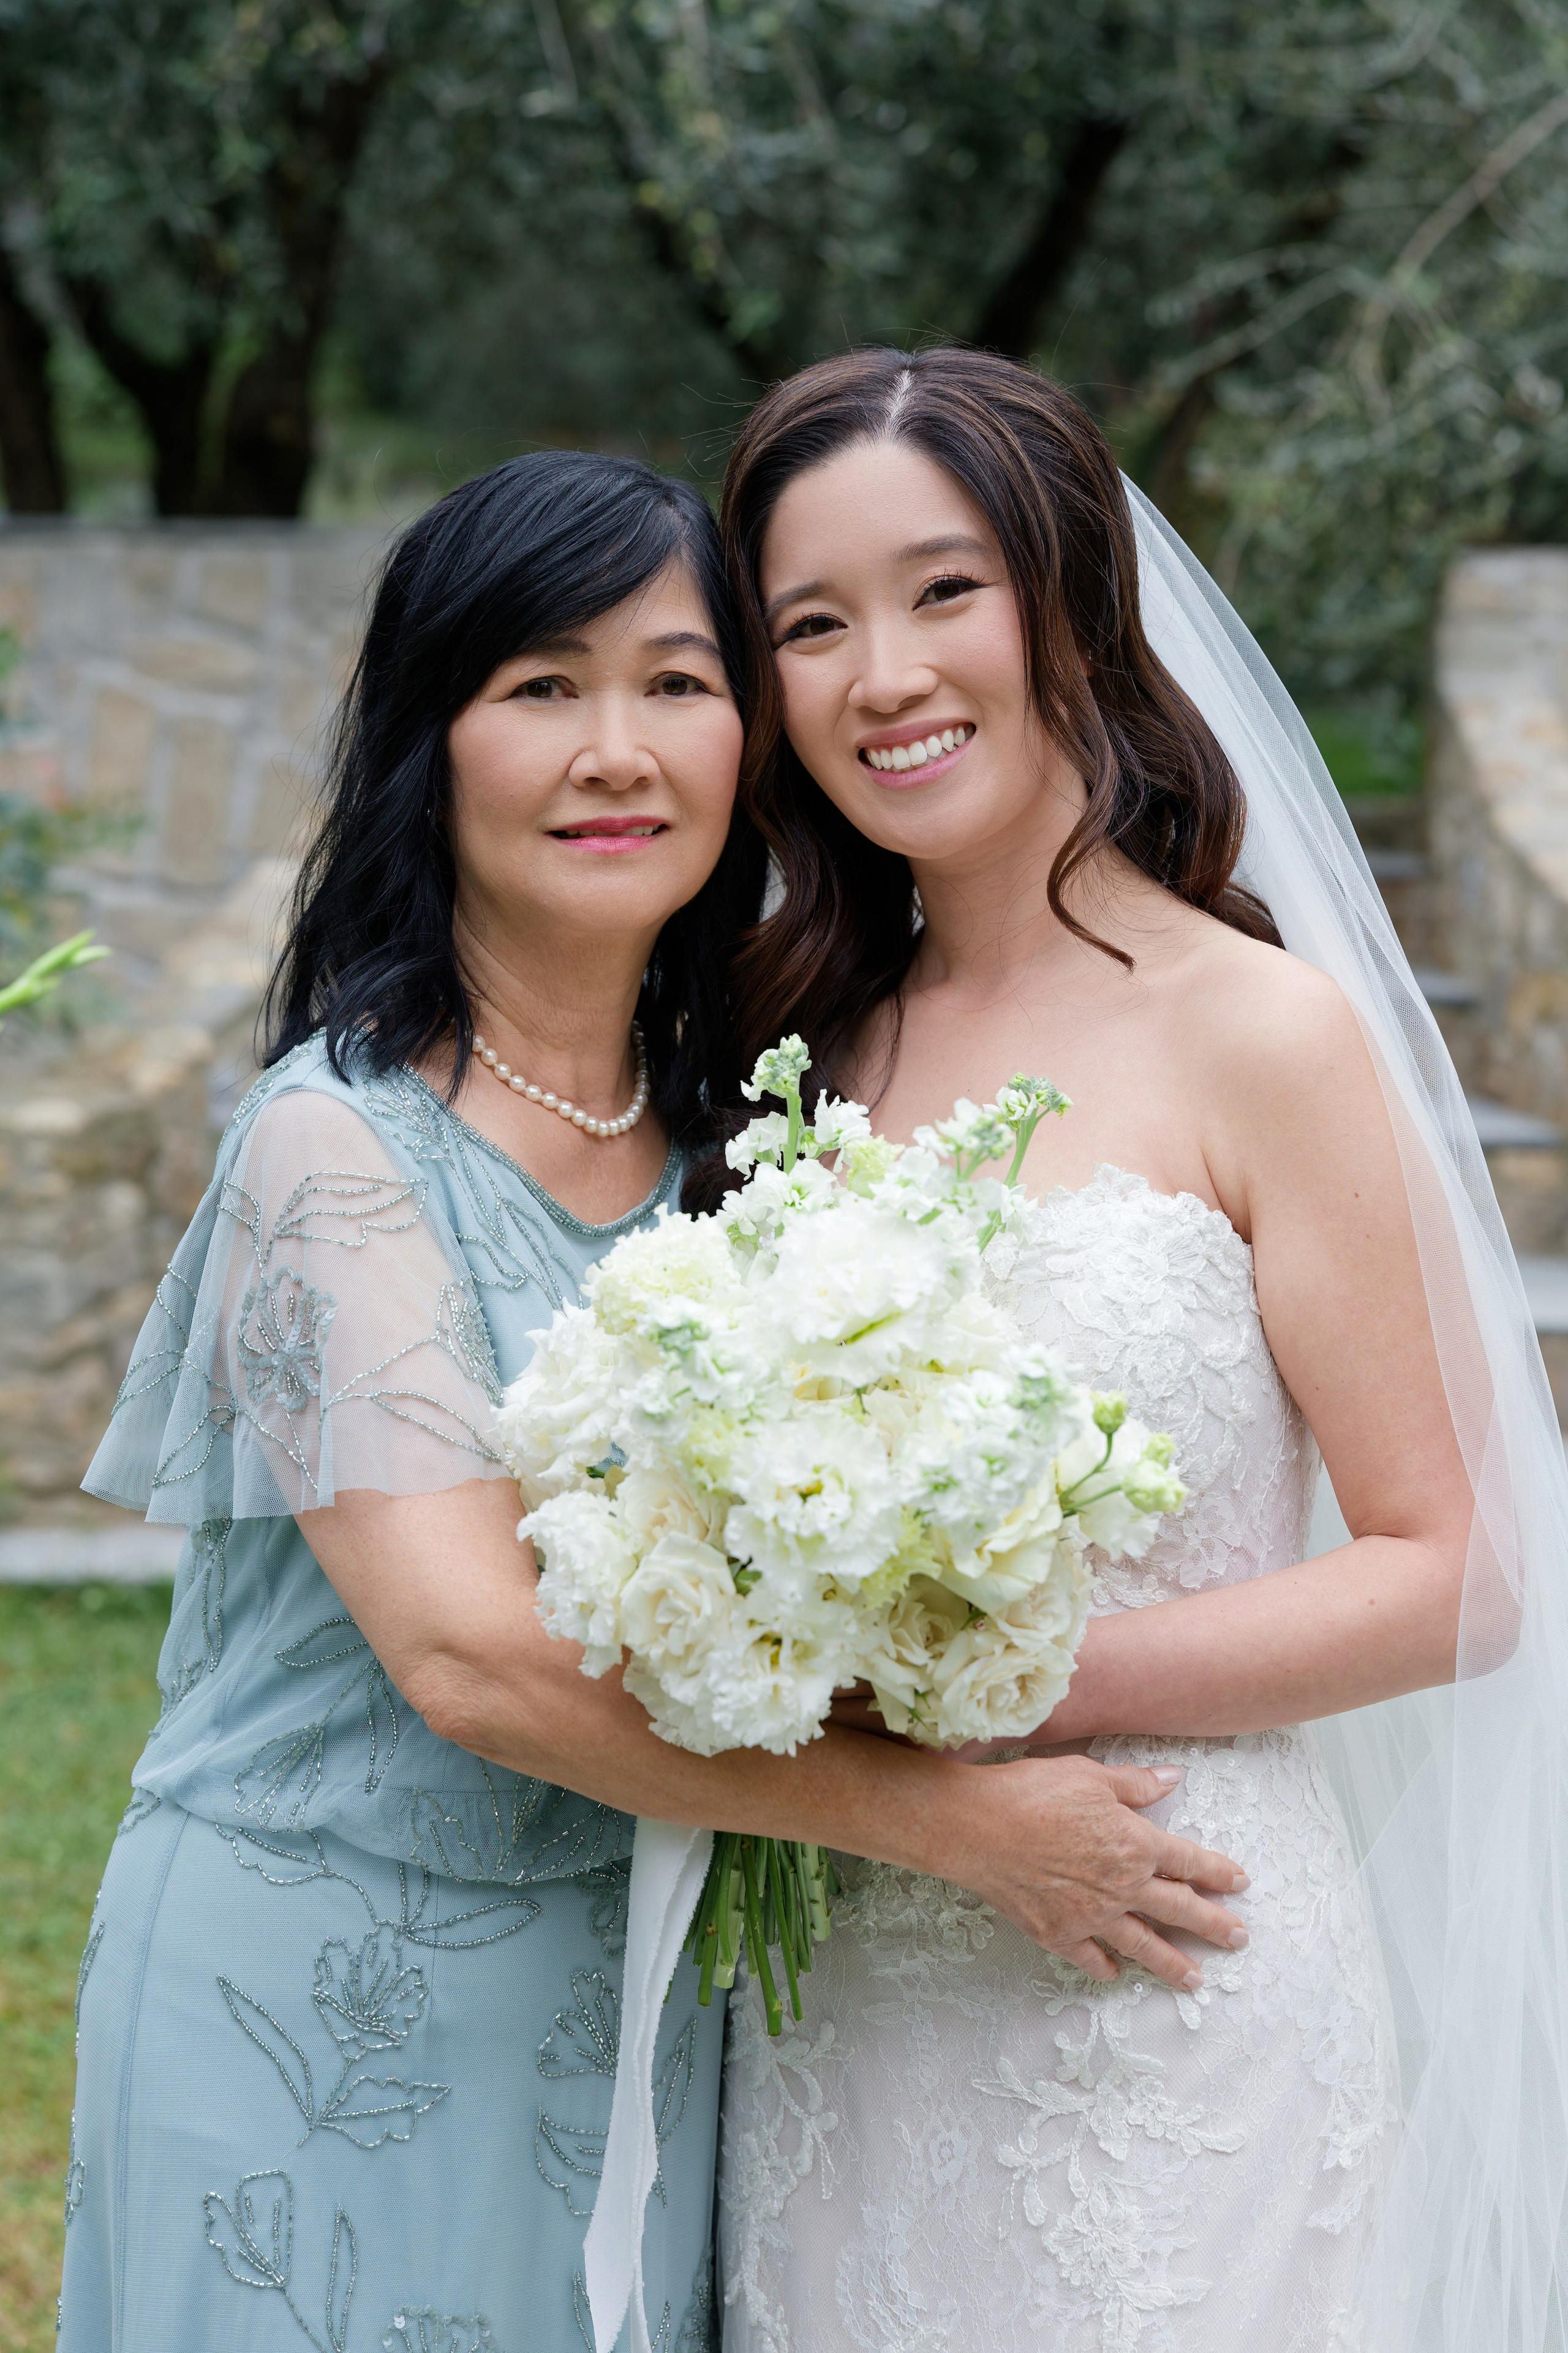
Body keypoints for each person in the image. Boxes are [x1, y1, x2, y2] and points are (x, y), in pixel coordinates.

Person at [60, 445, 1250, 2353]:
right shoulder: (333, 1151)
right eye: (541, 688)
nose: (617, 749)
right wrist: (969, 1826)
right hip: (320, 2010)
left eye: (677, 683)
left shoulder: (751, 1146)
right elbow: (473, 1658)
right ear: (427, 750)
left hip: (648, 2016)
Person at [708, 347, 1568, 2351]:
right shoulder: (790, 1047)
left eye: (945, 590)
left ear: (1074, 604)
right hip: (849, 1994)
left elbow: (1462, 1567)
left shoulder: (1258, 1032)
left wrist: (1012, 1683)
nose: (883, 674)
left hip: (1168, 1976)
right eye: (809, 626)